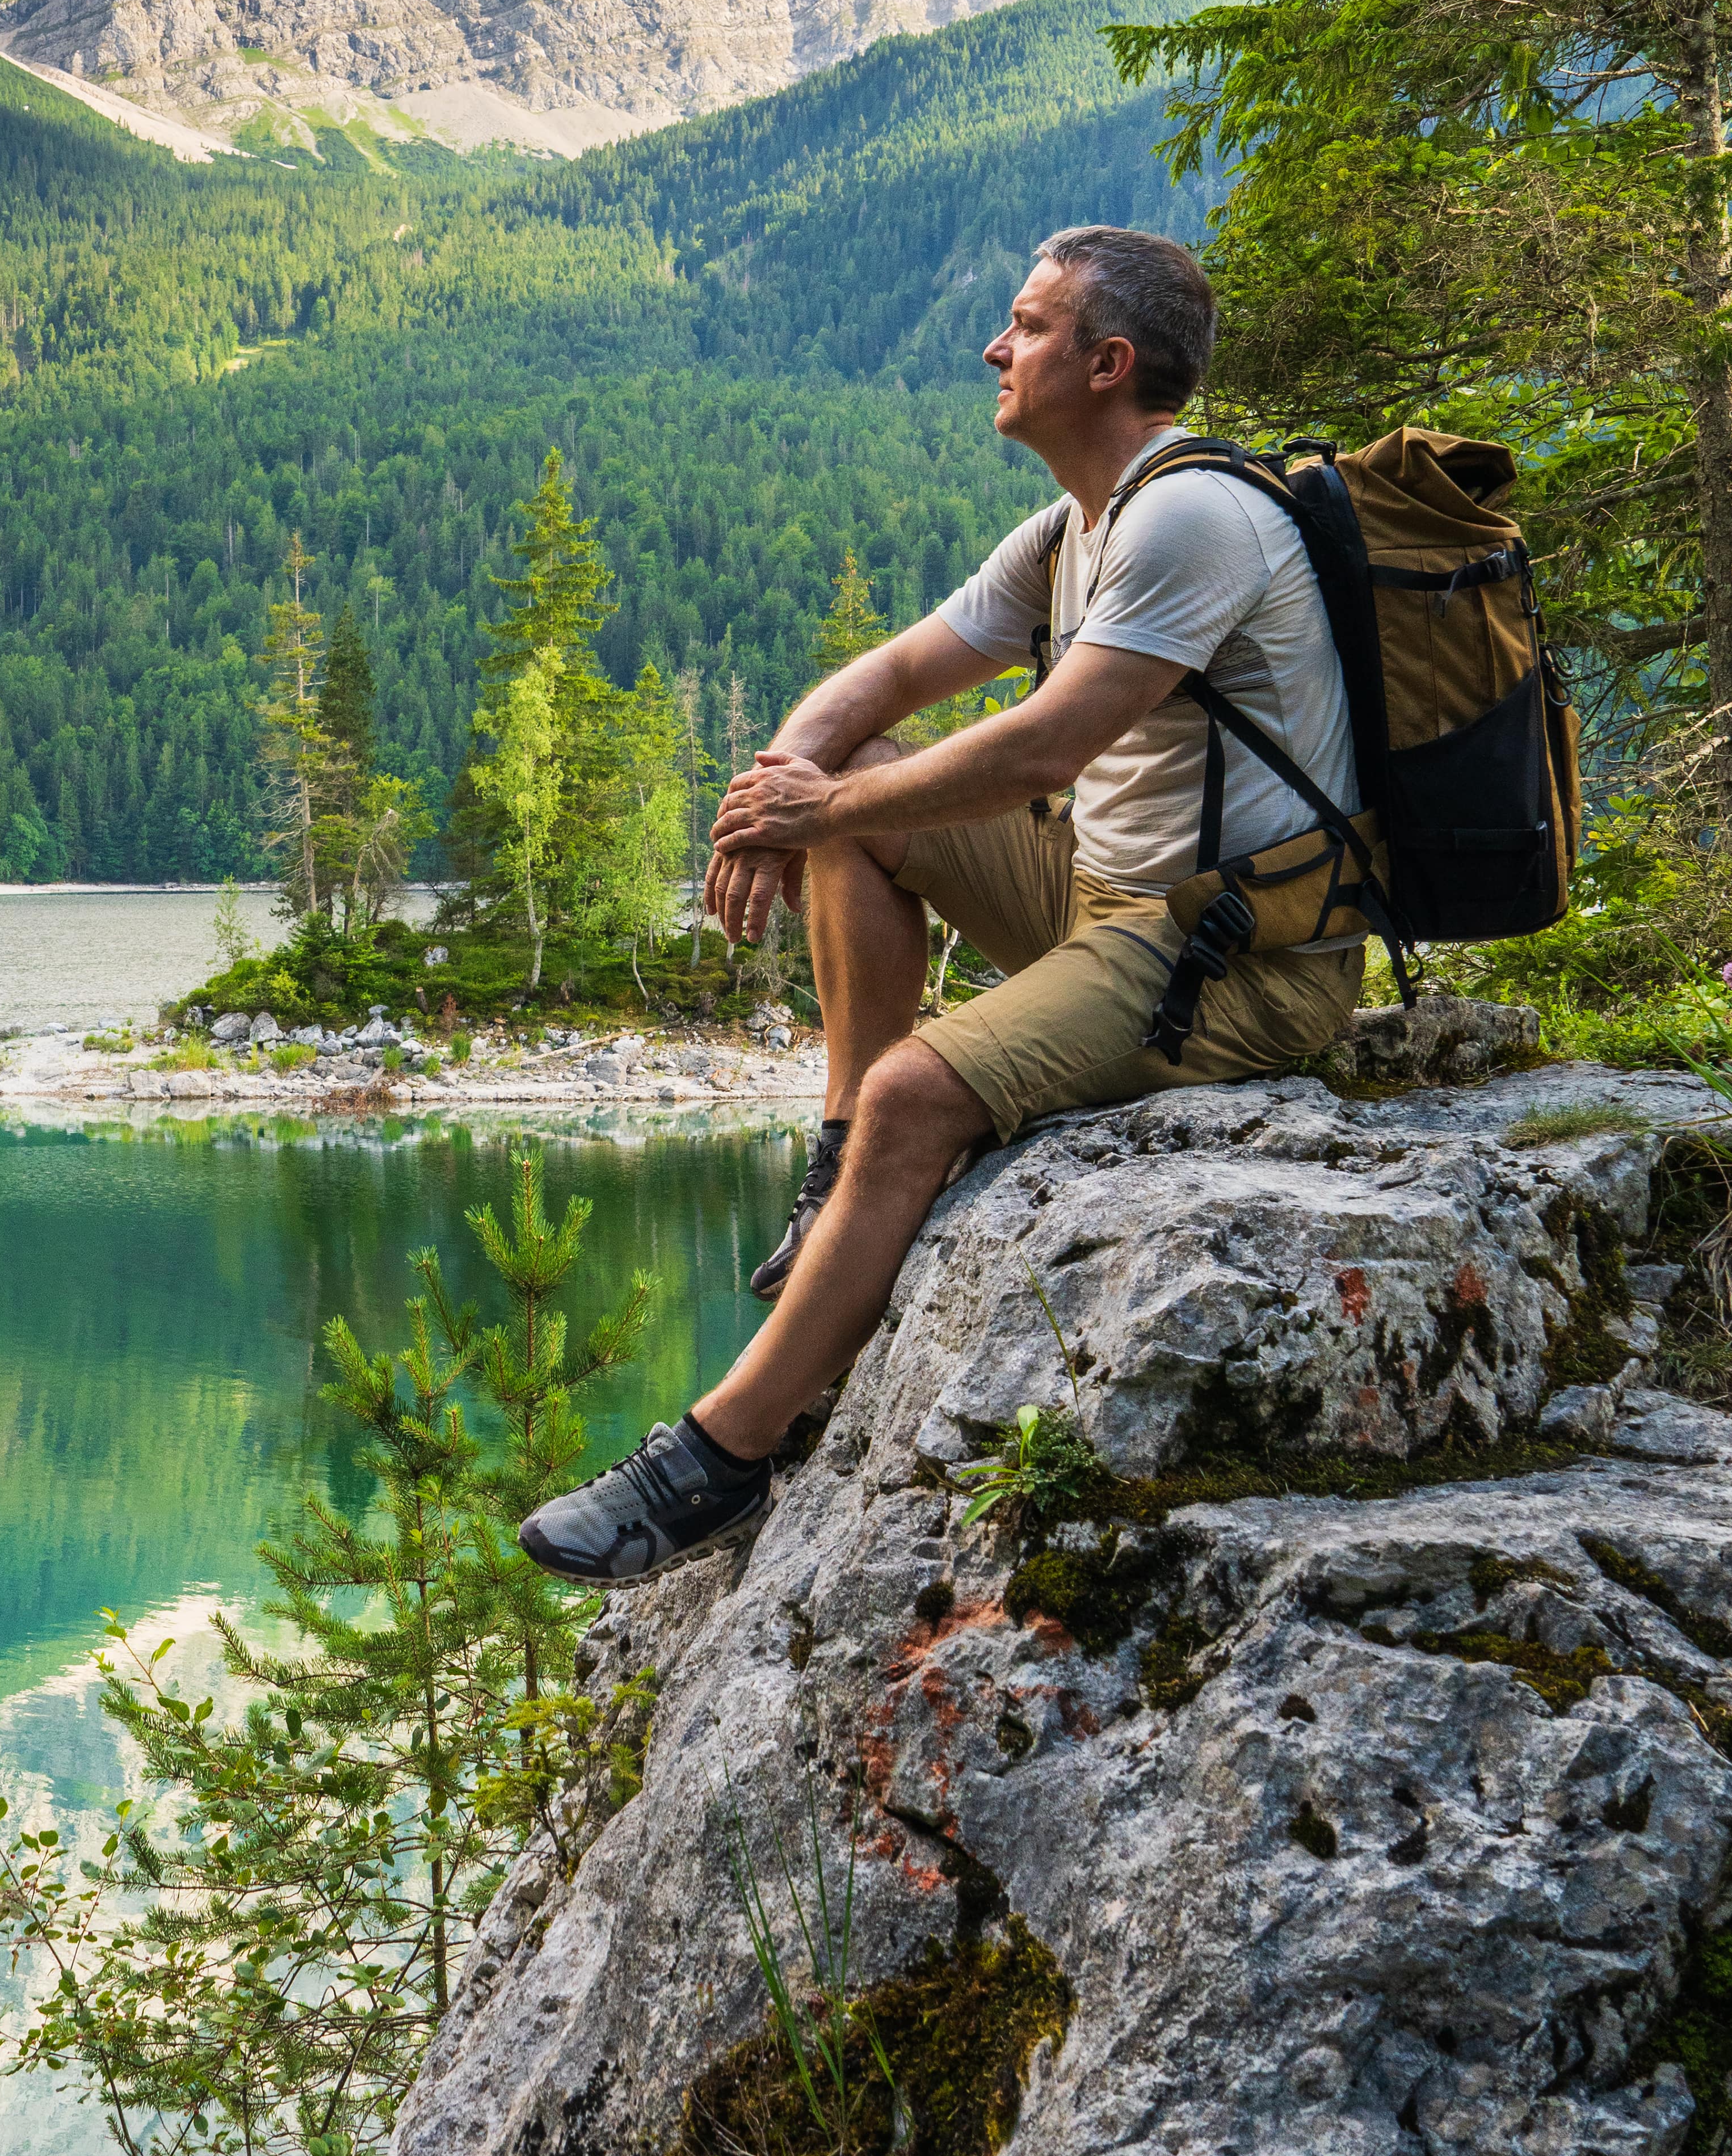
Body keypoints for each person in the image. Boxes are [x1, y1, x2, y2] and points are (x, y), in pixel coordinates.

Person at [518, 223, 1373, 1587]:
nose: (995, 346)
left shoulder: (1196, 517)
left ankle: (723, 1458)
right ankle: (839, 1160)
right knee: (857, 784)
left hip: (1241, 955)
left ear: (1106, 365)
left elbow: (1045, 747)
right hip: (1110, 901)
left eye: (1027, 327)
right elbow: (882, 686)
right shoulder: (1069, 530)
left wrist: (822, 813)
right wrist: (782, 798)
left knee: (928, 1083)